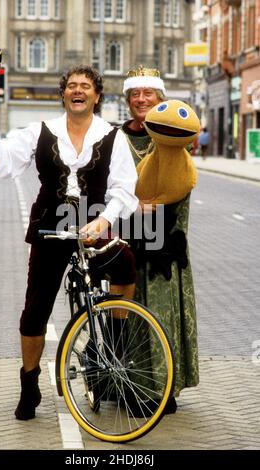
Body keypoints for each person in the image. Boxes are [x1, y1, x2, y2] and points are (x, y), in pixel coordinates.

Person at [0, 65, 139, 420]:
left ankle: (109, 347)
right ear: (63, 94)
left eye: (85, 86)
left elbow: (126, 190)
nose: (77, 90)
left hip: (96, 222)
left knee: (125, 265)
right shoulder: (40, 131)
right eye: (71, 86)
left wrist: (104, 220)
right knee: (36, 306)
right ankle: (29, 382)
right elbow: (0, 166)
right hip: (51, 224)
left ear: (97, 95)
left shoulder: (113, 136)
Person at [121, 66, 199, 414]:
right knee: (129, 315)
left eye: (147, 94)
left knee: (161, 313)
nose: (141, 100)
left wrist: (173, 233)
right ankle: (127, 384)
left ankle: (163, 389)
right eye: (134, 95)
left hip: (164, 239)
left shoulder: (171, 133)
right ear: (127, 100)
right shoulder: (116, 138)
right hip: (126, 238)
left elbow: (183, 184)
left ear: (159, 99)